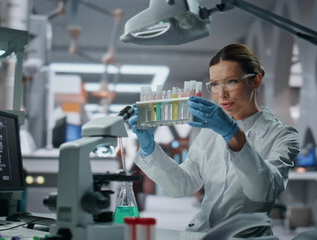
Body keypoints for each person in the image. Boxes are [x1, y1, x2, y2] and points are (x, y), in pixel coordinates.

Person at [128, 43, 300, 238]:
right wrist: (149, 147)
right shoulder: (209, 133)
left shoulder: (283, 135)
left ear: (256, 81)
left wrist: (232, 133)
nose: (221, 94)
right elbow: (183, 185)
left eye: (231, 81)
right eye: (215, 84)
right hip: (202, 234)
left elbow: (262, 191)